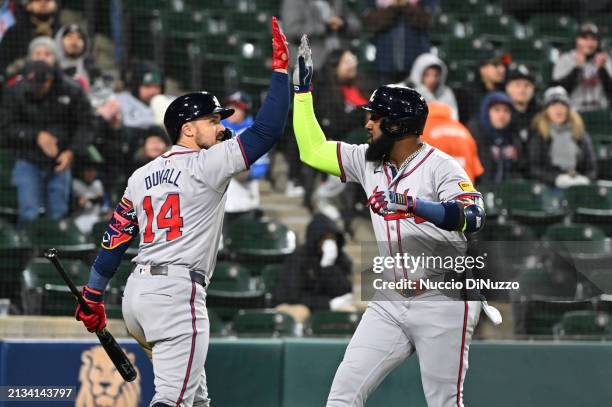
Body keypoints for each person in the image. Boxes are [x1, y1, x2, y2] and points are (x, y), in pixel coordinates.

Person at [74, 17, 290, 407]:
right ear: (188, 129)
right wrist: (280, 74)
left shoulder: (143, 174)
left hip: (137, 297)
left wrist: (92, 294)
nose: (221, 127)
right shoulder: (208, 165)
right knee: (173, 401)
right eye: (213, 120)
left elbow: (115, 239)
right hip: (176, 294)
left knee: (197, 400)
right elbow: (267, 131)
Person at [293, 35, 496, 407]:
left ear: (399, 125)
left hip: (444, 296)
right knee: (341, 396)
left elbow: (473, 216)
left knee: (444, 403)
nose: (367, 122)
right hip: (390, 297)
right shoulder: (367, 159)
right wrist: (301, 93)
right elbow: (312, 150)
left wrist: (415, 205)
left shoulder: (441, 166)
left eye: (375, 117)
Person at [2, 42, 94, 225]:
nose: (36, 89)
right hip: (27, 158)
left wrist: (71, 151)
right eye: (32, 83)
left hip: (60, 160)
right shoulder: (16, 91)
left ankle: (53, 253)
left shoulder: (72, 90)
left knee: (58, 215)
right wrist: (37, 135)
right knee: (29, 213)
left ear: (50, 79)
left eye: (41, 84)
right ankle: (28, 253)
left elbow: (86, 124)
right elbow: (5, 127)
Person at [274, 213, 352, 320]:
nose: (329, 243)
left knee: (350, 311)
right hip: (294, 305)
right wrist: (327, 304)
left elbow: (344, 293)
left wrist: (328, 266)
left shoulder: (340, 259)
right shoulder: (299, 257)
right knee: (302, 312)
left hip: (324, 305)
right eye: (325, 238)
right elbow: (294, 296)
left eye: (332, 238)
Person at [528, 86, 597, 188]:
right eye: (553, 105)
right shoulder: (539, 135)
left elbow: (591, 168)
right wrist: (556, 178)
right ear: (546, 110)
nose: (558, 109)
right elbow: (534, 168)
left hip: (578, 186)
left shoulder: (580, 134)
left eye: (563, 104)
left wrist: (584, 179)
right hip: (548, 188)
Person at [364, 0, 437, 84]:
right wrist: (395, 6)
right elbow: (371, 22)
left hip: (417, 65)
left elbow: (427, 20)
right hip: (385, 64)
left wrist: (405, 4)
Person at [221, 91, 269, 216]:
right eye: (230, 106)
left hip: (244, 197)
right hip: (219, 200)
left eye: (237, 107)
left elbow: (261, 167)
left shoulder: (255, 132)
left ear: (245, 110)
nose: (232, 110)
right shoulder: (216, 129)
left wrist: (245, 173)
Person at [281, 0, 361, 70]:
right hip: (310, 66)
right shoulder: (293, 2)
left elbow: (356, 26)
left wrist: (344, 24)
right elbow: (292, 32)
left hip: (340, 63)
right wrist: (324, 27)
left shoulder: (337, 2)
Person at [552, 22, 612, 112]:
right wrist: (577, 69)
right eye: (585, 38)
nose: (589, 43)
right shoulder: (565, 59)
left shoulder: (605, 60)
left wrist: (602, 70)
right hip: (573, 113)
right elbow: (559, 92)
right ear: (577, 40)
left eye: (593, 39)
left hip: (601, 114)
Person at [469, 92, 522, 187]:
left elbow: (521, 170)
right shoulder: (474, 133)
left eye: (506, 111)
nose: (502, 115)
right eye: (496, 110)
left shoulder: (514, 137)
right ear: (486, 112)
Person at [422, 102, 484, 183]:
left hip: (436, 189)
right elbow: (477, 170)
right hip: (465, 190)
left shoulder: (423, 130)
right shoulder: (463, 130)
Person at [0, 0, 59, 78]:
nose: (43, 3)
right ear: (28, 6)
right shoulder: (15, 32)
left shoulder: (62, 32)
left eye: (47, 1)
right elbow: (3, 63)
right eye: (38, 1)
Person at [457, 50, 510, 124]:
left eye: (504, 65)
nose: (502, 70)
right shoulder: (466, 93)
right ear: (482, 69)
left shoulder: (507, 91)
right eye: (496, 65)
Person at [402, 52, 458, 119]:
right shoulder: (403, 91)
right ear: (418, 74)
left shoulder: (446, 93)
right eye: (427, 75)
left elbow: (453, 119)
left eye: (436, 75)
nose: (432, 80)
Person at [117, 61, 170, 129]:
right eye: (147, 86)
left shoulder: (166, 101)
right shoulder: (122, 101)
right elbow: (127, 123)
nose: (153, 91)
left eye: (157, 87)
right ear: (135, 87)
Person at [54, 23, 98, 90]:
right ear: (59, 40)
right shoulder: (53, 67)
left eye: (79, 38)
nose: (74, 41)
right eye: (69, 37)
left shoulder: (91, 68)